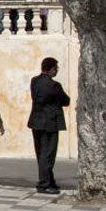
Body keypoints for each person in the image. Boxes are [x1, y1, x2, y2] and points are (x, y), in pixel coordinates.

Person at [27, 57, 70, 194]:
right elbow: (66, 100)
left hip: (36, 121)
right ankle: (44, 184)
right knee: (48, 154)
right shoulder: (54, 85)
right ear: (51, 69)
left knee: (41, 153)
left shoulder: (34, 81)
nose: (56, 71)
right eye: (56, 68)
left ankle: (49, 180)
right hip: (50, 123)